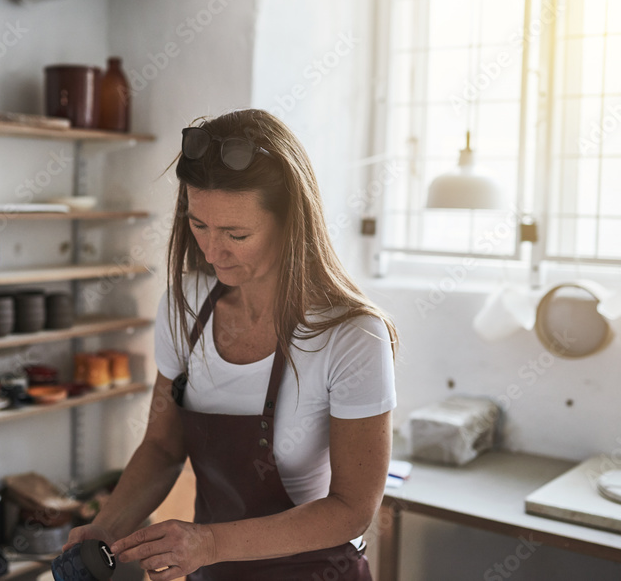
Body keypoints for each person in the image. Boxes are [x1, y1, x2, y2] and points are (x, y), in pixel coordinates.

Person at [63, 108, 398, 580]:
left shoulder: (351, 336)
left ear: (291, 223)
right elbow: (161, 447)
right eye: (199, 225)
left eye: (236, 234)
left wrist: (210, 541)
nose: (212, 251)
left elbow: (351, 509)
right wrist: (106, 527)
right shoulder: (185, 307)